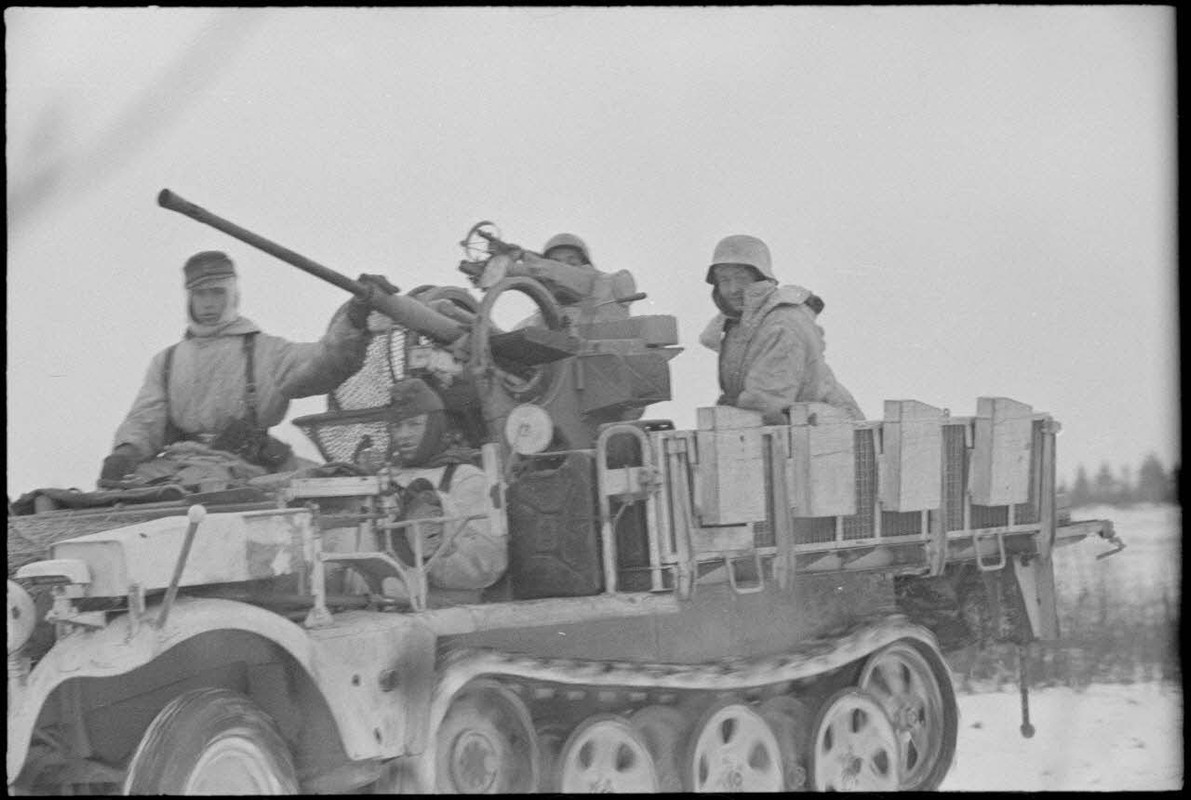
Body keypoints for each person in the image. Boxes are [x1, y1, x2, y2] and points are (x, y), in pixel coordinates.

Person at [97, 250, 373, 486]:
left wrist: (355, 318)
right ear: (189, 299)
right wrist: (124, 453)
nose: (208, 302)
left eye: (217, 292)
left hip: (248, 469)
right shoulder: (167, 361)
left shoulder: (267, 352)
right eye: (199, 294)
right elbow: (145, 420)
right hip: (179, 466)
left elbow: (325, 362)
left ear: (232, 295)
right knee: (123, 491)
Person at [699, 234, 865, 424]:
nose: (732, 289)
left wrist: (728, 410)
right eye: (724, 280)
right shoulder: (739, 325)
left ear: (760, 277)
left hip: (829, 430)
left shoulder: (782, 322)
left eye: (741, 278)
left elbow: (767, 401)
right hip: (790, 428)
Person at [380, 378, 507, 605]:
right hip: (388, 603)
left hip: (452, 608)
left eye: (414, 424)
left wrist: (434, 535)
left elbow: (487, 563)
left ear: (434, 425)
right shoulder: (383, 479)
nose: (403, 435)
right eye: (397, 427)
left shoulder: (466, 478)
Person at [511, 233, 639, 328]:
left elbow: (564, 274)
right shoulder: (533, 323)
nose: (565, 266)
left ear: (585, 265)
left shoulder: (594, 279)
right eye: (556, 262)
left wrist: (520, 258)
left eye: (572, 262)